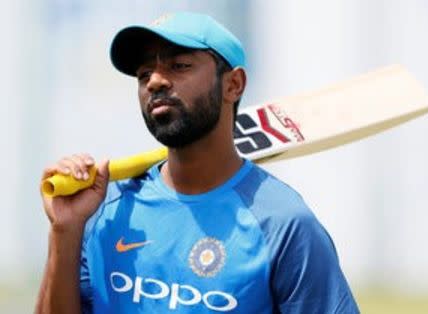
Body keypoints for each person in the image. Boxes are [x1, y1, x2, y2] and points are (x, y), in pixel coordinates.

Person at [35, 12, 360, 314]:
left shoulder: (283, 224)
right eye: (144, 73)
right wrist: (64, 231)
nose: (155, 82)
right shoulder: (108, 211)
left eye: (179, 66)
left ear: (233, 85)